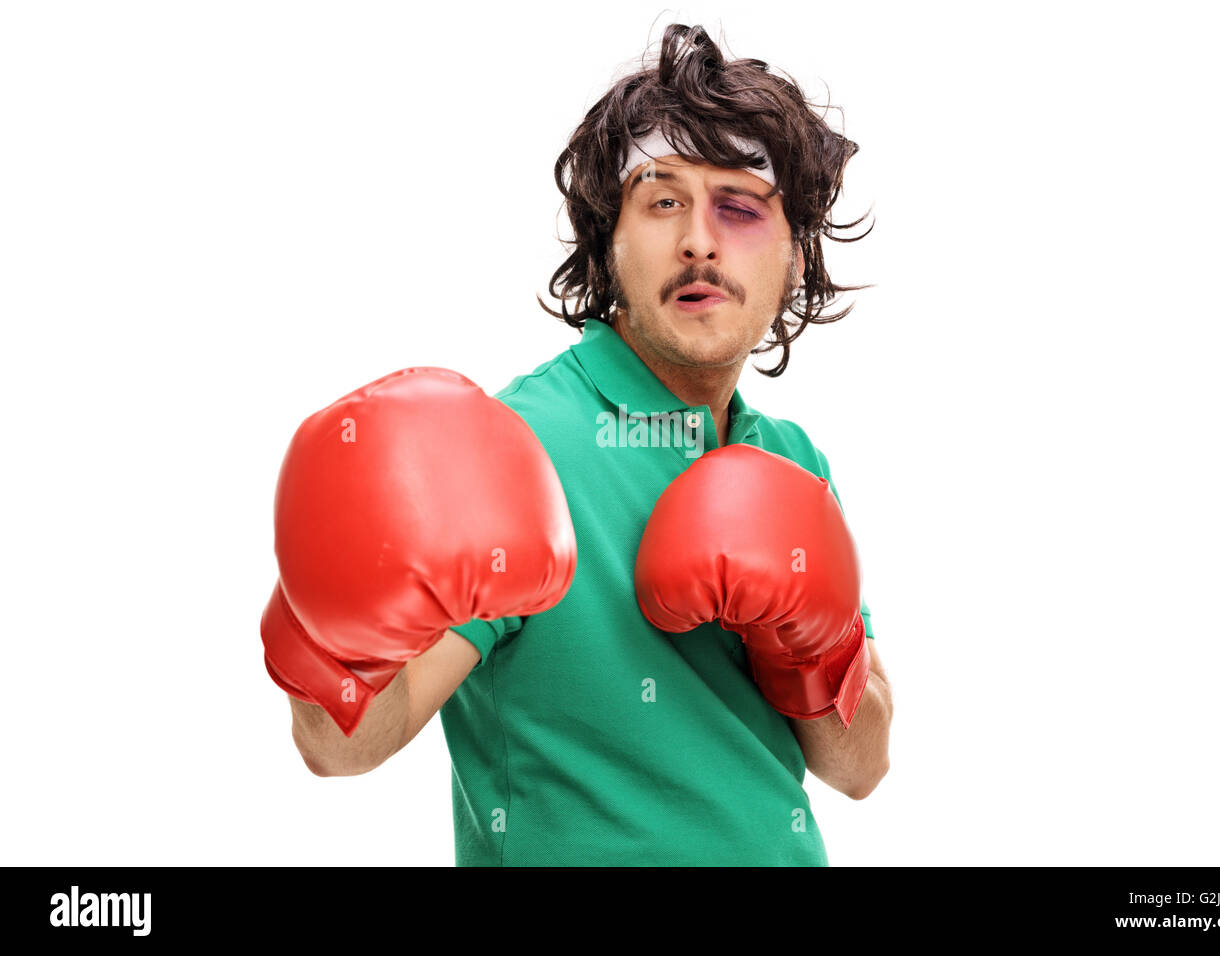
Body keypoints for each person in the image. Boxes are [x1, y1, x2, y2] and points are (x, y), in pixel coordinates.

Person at [269, 22, 893, 866]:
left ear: (794, 257)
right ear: (611, 242)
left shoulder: (790, 459)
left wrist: (818, 647)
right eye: (664, 200)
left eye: (740, 206)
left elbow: (859, 769)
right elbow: (345, 745)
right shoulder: (520, 443)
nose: (700, 239)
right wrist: (333, 632)